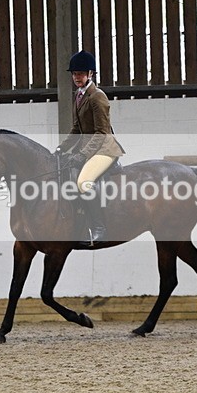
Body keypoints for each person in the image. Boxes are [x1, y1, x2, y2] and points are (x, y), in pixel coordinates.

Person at [56, 50, 125, 247]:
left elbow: (102, 132)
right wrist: (61, 148)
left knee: (84, 182)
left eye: (81, 73)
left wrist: (82, 155)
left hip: (105, 149)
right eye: (74, 74)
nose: (77, 77)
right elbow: (77, 129)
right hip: (89, 148)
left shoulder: (97, 97)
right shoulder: (78, 96)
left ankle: (99, 228)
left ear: (90, 74)